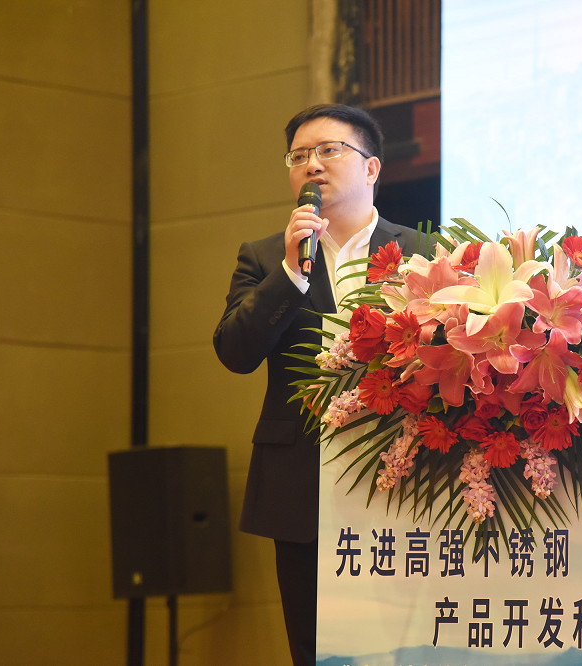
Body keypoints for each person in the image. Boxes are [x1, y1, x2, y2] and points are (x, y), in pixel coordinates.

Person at [213, 104, 419, 666]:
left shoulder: (424, 253)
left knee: (408, 646)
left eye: (329, 150)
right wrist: (290, 274)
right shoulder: (265, 257)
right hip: (303, 484)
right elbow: (234, 352)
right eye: (299, 156)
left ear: (371, 168)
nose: (312, 165)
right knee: (316, 648)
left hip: (405, 478)